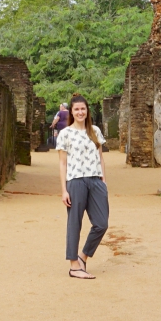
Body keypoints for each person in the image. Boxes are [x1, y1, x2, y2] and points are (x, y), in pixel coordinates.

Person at [56, 94, 108, 280]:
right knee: (74, 223)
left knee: (101, 224)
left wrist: (103, 180)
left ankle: (83, 257)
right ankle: (73, 265)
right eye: (76, 109)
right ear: (71, 111)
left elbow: (100, 157)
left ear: (87, 111)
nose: (80, 112)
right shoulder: (65, 134)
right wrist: (64, 190)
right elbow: (62, 163)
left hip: (96, 181)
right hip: (75, 181)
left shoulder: (94, 131)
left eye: (83, 109)